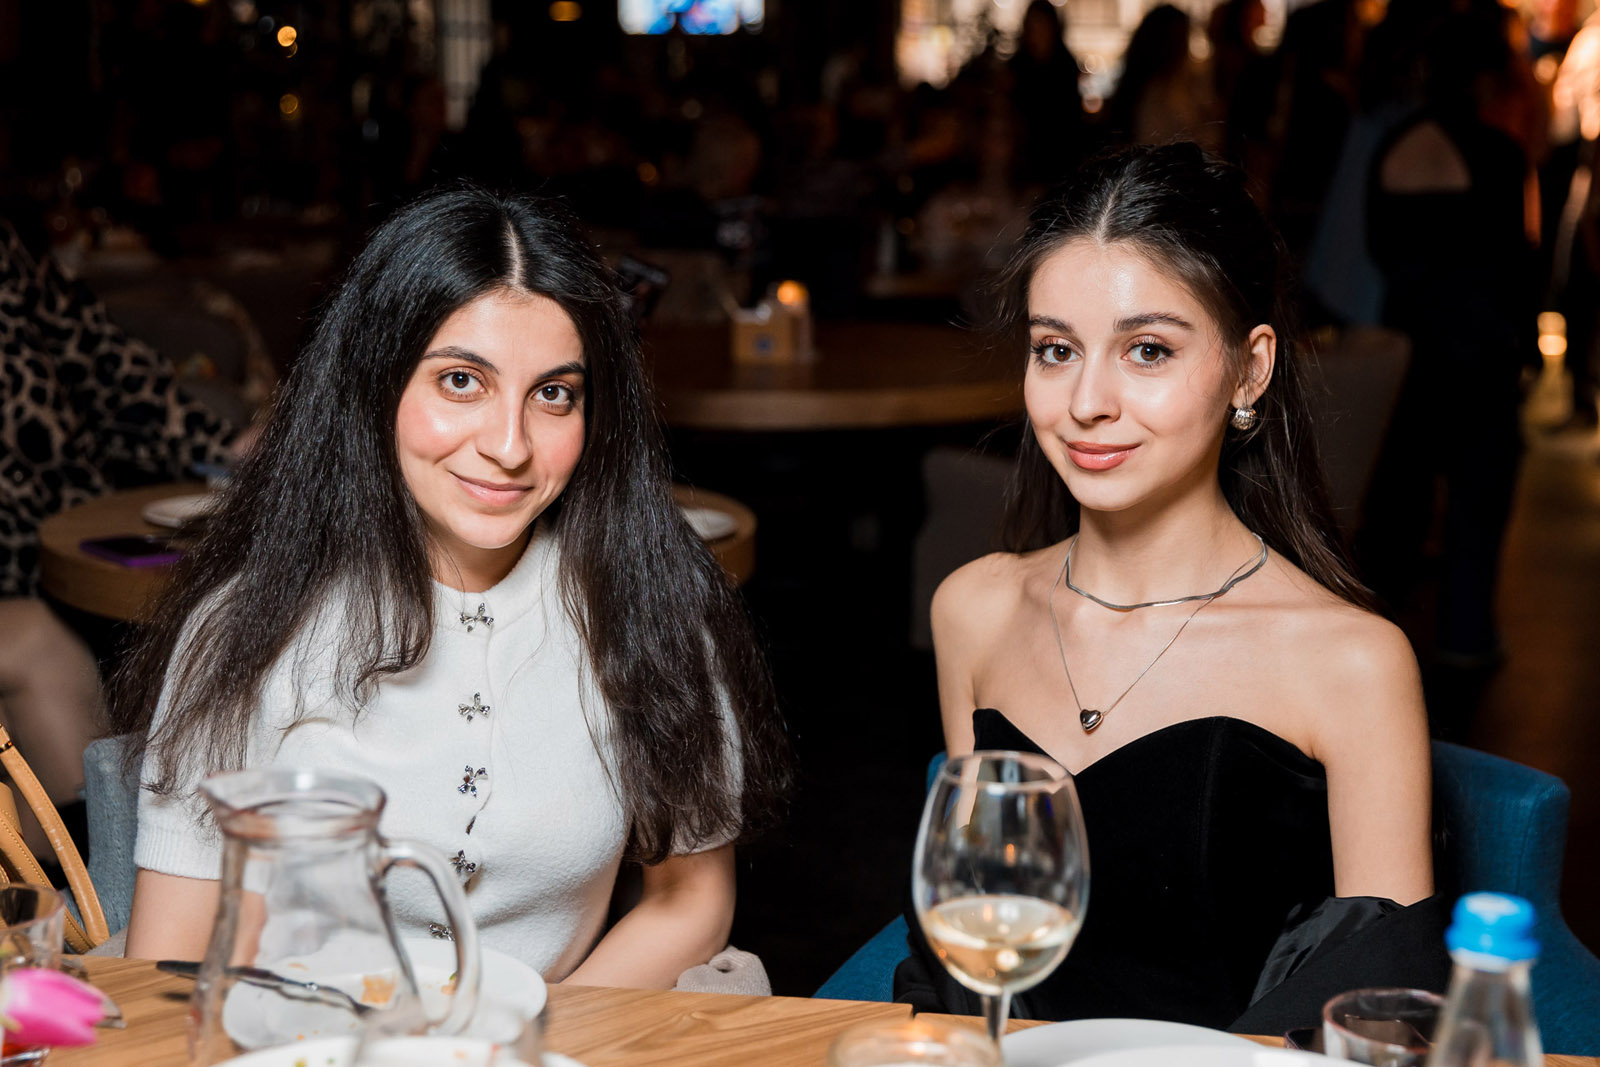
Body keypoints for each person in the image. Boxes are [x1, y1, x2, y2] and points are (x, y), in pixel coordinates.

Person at [113, 186, 790, 985]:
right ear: (376, 383)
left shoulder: (650, 606)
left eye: (554, 393)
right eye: (462, 381)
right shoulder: (245, 627)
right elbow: (172, 958)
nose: (509, 445)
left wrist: (534, 1033)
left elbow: (690, 898)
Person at [895, 144, 1447, 1031]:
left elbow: (1382, 1020)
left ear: (1250, 368)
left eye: (1147, 350)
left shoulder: (1351, 661)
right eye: (1055, 349)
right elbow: (977, 948)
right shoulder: (975, 609)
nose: (1087, 401)